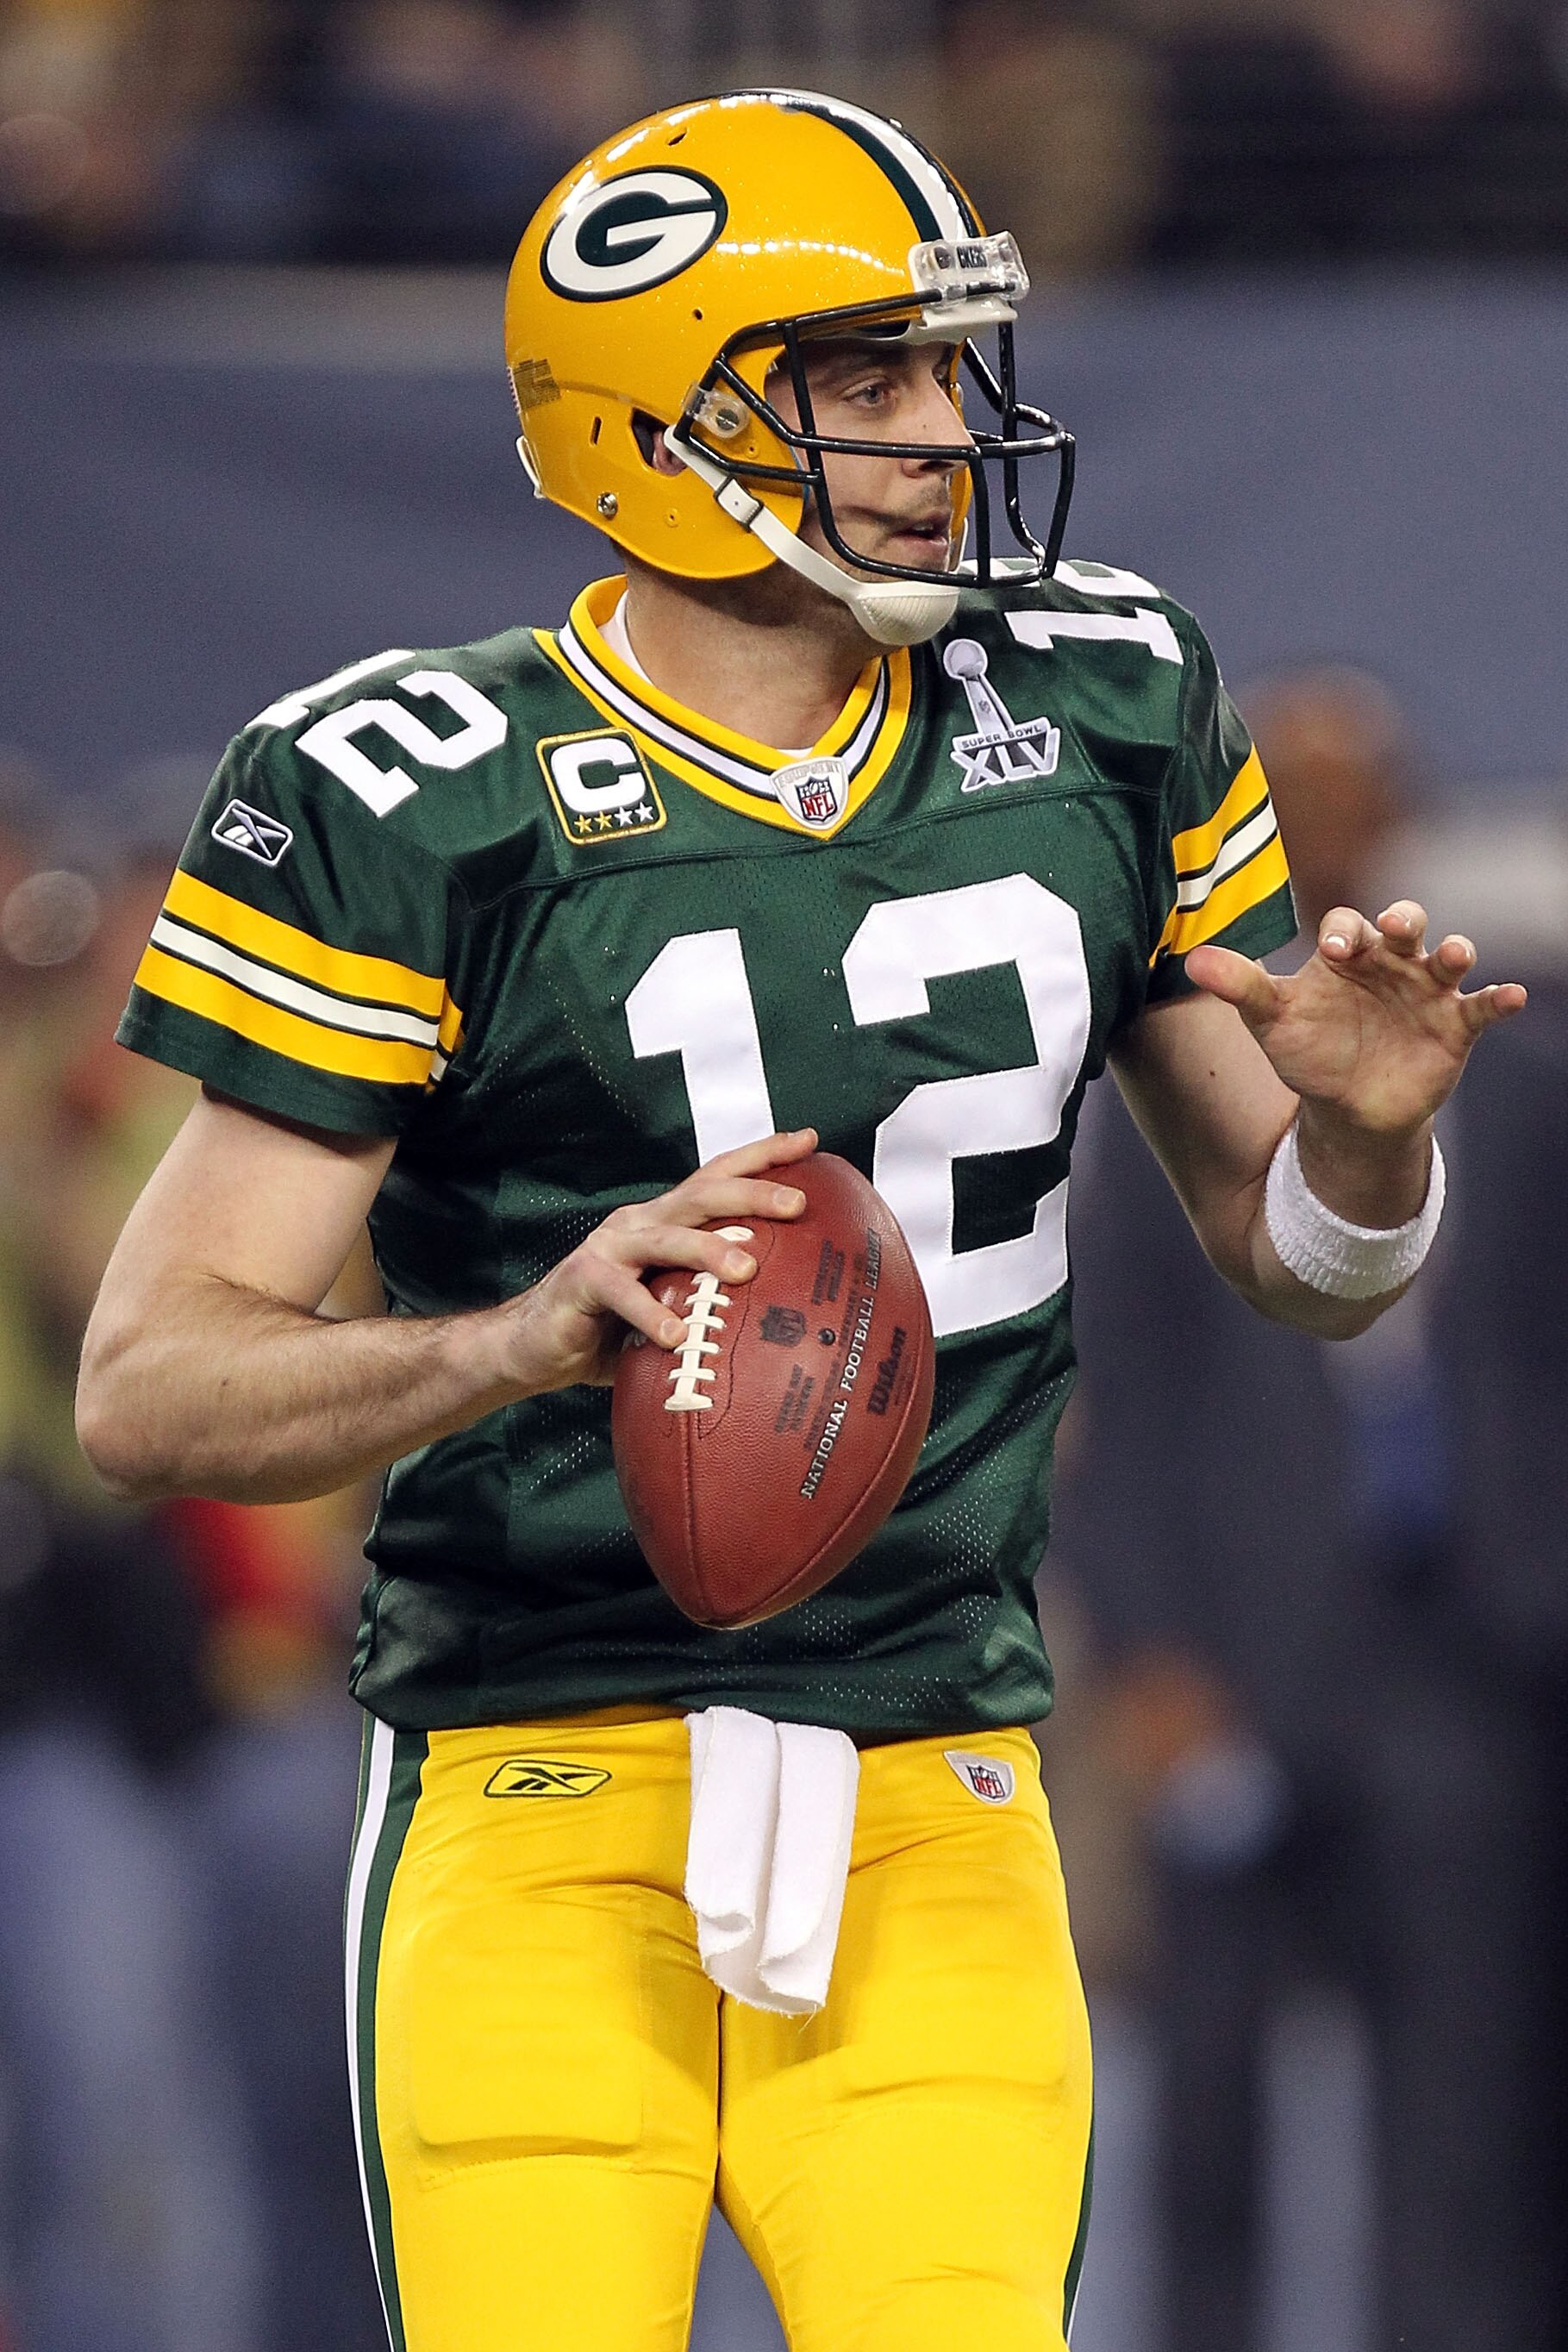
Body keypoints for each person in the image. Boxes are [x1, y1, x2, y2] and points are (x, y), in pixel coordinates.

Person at [74, 90, 1523, 2352]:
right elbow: (149, 1392)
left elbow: (1313, 1274)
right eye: (862, 378)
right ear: (654, 424)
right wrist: (500, 1341)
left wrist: (1358, 1149)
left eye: (946, 370)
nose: (942, 430)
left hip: (931, 1763)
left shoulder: (1102, 699)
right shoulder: (408, 794)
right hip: (536, 1778)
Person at [1055, 667, 1568, 2352]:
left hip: (1470, 1667)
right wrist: (1149, 1662)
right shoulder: (1172, 1090)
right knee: (1205, 2121)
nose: (1329, 835)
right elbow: (1111, 1410)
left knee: (1471, 2119)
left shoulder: (1529, 1077)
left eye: (1355, 799)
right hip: (1234, 1666)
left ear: (1400, 818)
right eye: (1291, 802)